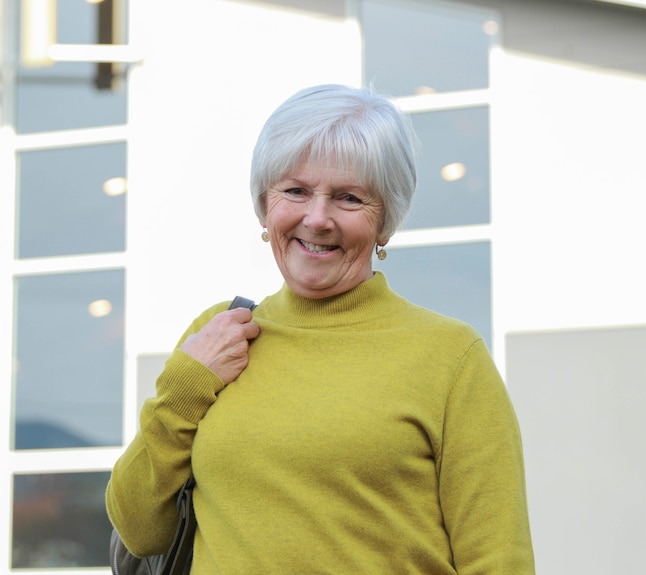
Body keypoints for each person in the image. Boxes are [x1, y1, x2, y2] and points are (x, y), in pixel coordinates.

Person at [106, 84, 535, 574]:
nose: (317, 218)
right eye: (295, 191)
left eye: (349, 198)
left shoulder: (451, 356)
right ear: (266, 207)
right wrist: (185, 387)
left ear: (386, 222)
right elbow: (140, 530)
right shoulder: (219, 332)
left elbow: (499, 560)